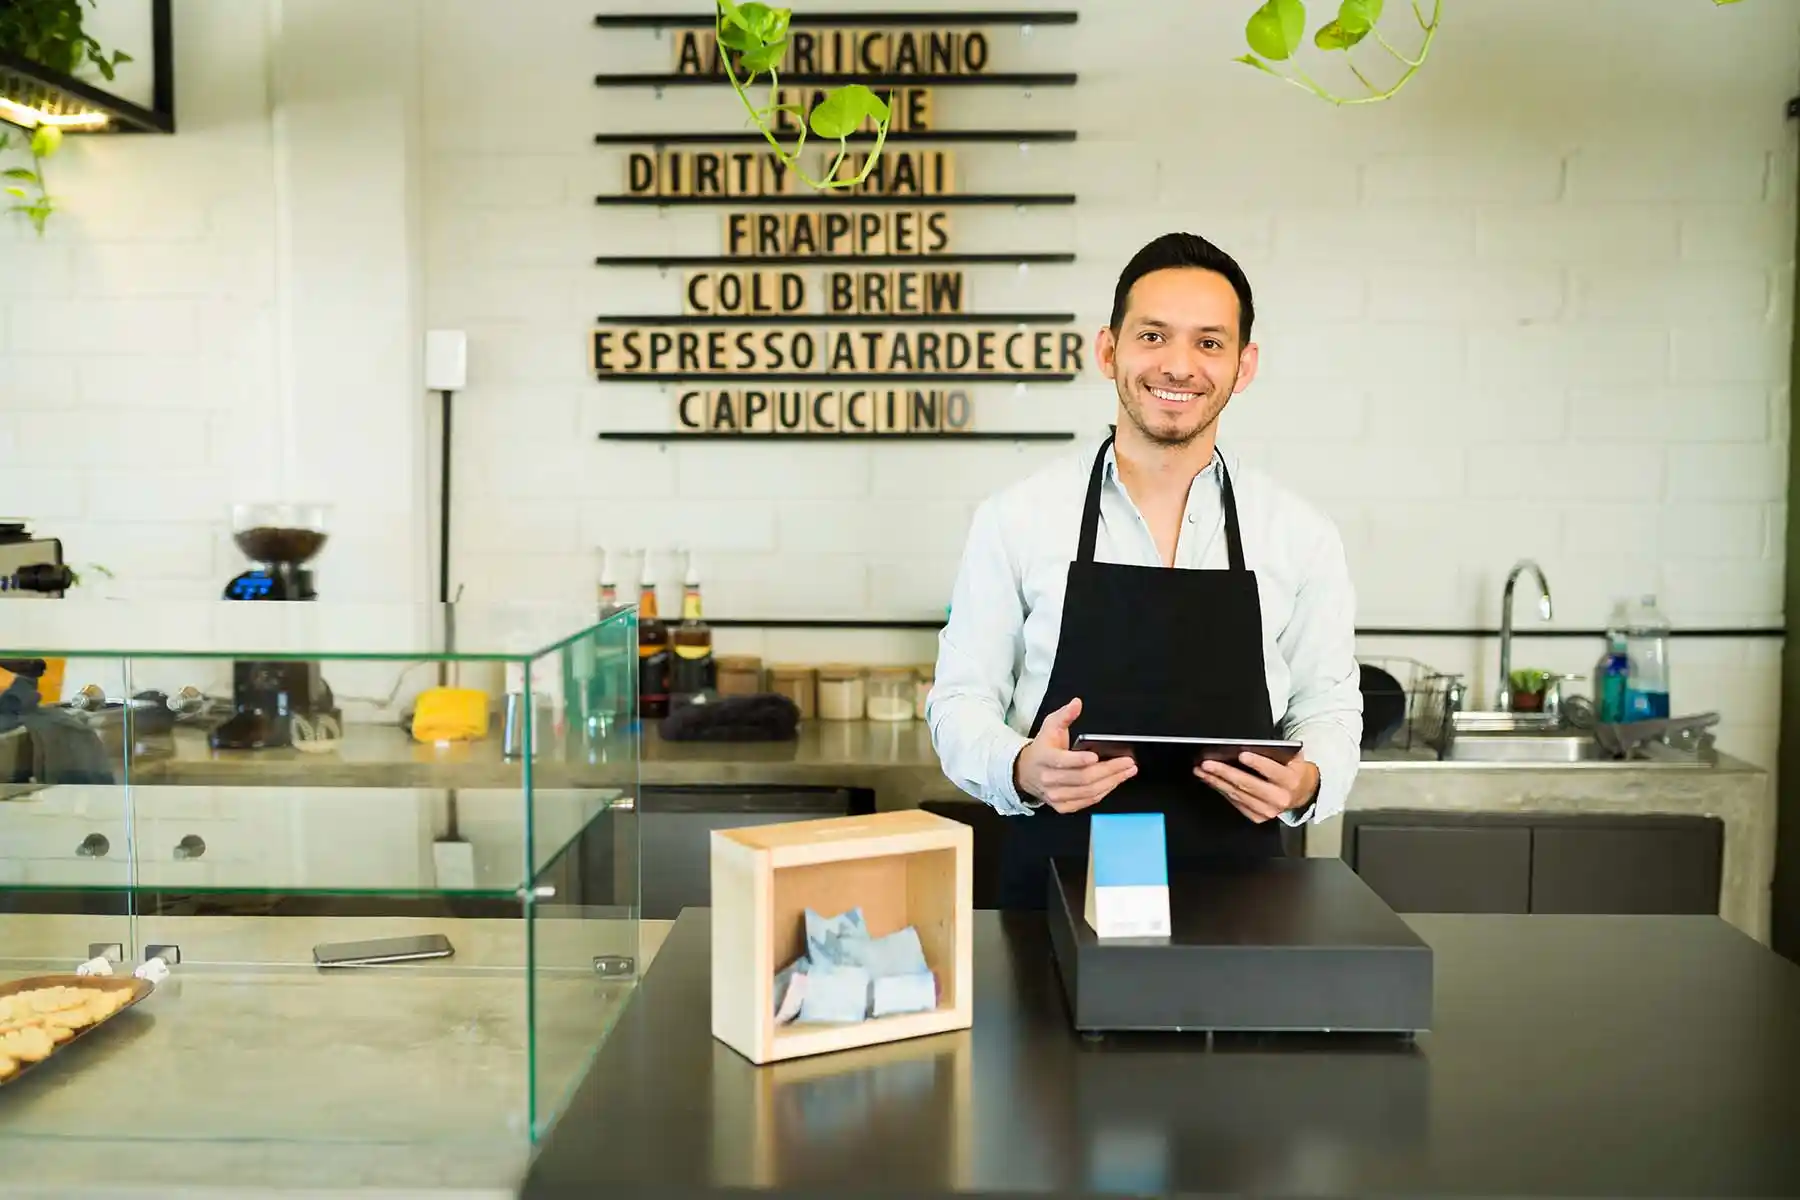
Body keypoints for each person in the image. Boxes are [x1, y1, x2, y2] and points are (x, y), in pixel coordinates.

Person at [924, 232, 1364, 910]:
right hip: (1053, 889)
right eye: (1153, 336)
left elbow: (1329, 708)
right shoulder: (1016, 518)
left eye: (1209, 343)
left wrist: (1307, 781)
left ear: (1244, 366)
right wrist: (1019, 767)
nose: (1179, 365)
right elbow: (958, 702)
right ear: (1109, 350)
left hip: (1240, 898)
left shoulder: (1300, 534)